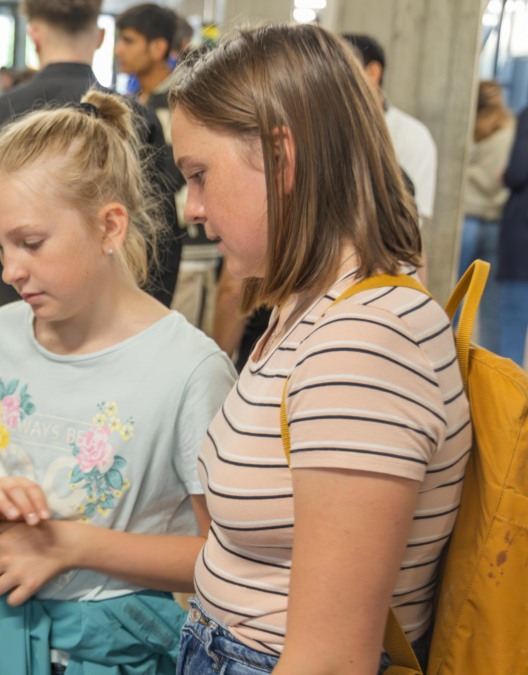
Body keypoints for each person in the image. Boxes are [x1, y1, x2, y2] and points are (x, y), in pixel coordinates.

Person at [168, 24, 470, 674]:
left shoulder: (366, 341)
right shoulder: (307, 306)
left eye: (199, 174)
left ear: (283, 157)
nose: (190, 207)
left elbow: (330, 659)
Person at [0, 90, 237, 674]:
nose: (10, 270)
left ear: (110, 226)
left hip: (111, 654)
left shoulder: (189, 370)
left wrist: (70, 546)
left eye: (31, 243)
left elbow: (219, 558)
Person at [0, 0, 181, 316]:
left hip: (15, 317)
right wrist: (144, 323)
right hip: (115, 328)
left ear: (34, 36)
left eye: (32, 242)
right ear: (101, 37)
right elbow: (162, 240)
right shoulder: (135, 120)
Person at [343, 34, 437, 225]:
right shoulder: (323, 131)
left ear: (372, 72)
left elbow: (409, 225)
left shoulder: (413, 137)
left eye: (340, 69)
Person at [459, 80, 514, 348]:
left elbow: (460, 172)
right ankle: (495, 376)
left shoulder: (469, 131)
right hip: (497, 225)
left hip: (467, 221)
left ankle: (447, 364)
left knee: (456, 300)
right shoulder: (511, 132)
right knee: (491, 310)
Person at [497, 100, 528, 367]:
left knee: (513, 325)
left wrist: (506, 175)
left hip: (522, 244)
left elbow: (518, 171)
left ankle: (514, 408)